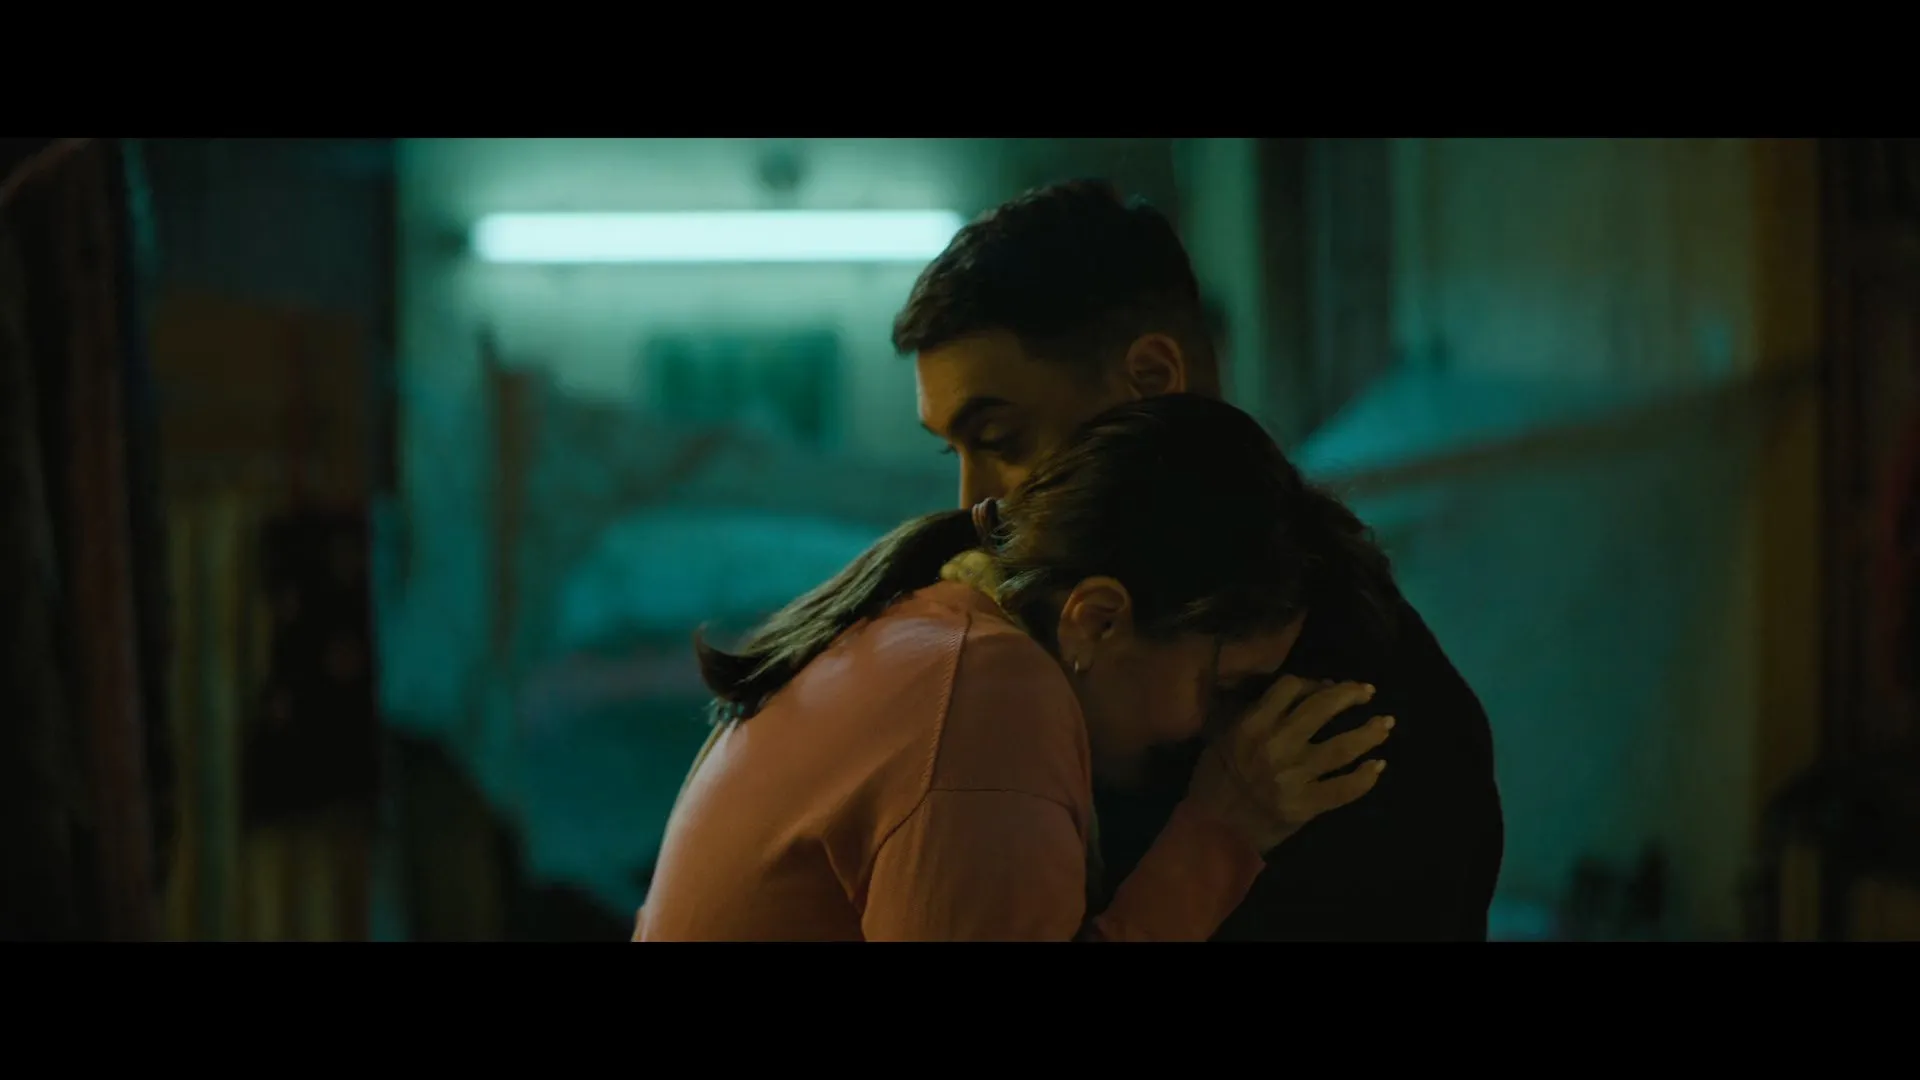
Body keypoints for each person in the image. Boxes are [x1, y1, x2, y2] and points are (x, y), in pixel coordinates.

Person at [894, 179, 1504, 940]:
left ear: (1152, 381)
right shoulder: (1006, 636)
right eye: (953, 451)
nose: (973, 503)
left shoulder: (1345, 717)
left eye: (1001, 440)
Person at [635, 394, 1398, 940]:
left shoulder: (935, 637)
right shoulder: (983, 699)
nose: (1222, 731)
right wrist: (1224, 829)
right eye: (1222, 686)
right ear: (1097, 620)